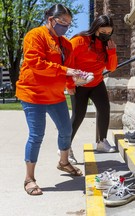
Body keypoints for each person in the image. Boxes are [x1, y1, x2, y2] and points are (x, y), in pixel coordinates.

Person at [16, 4, 90, 196]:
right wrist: (67, 71)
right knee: (36, 135)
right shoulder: (35, 36)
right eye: (62, 22)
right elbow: (36, 63)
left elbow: (69, 68)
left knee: (66, 130)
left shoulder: (66, 44)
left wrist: (74, 82)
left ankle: (64, 162)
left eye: (68, 23)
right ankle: (29, 178)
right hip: (33, 94)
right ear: (50, 19)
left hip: (55, 96)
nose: (65, 26)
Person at [65, 15, 118, 163]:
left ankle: (102, 141)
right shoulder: (79, 41)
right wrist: (69, 85)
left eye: (109, 32)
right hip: (79, 83)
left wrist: (112, 52)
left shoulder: (107, 43)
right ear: (95, 29)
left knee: (104, 109)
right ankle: (66, 149)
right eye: (103, 31)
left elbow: (111, 68)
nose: (106, 35)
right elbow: (68, 64)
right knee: (78, 115)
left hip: (97, 81)